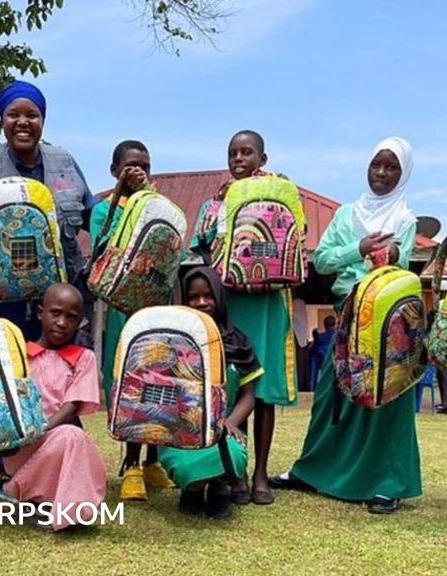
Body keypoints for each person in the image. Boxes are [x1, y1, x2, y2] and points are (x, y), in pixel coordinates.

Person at [270, 136, 421, 515]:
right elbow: (322, 261)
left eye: (391, 167)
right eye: (376, 165)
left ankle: (387, 484)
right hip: (346, 313)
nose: (381, 173)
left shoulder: (405, 219)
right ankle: (312, 470)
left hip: (387, 320)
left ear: (403, 174)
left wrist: (389, 254)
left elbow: (401, 261)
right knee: (330, 394)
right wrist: (360, 249)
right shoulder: (346, 215)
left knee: (386, 395)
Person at [190, 130, 297, 505]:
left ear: (262, 159)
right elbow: (202, 250)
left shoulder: (281, 192)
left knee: (263, 389)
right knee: (232, 384)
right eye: (233, 153)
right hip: (230, 303)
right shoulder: (214, 203)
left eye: (247, 152)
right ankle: (235, 472)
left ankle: (261, 474)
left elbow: (295, 238)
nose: (239, 159)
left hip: (267, 303)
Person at [0, 80, 97, 339]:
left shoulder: (64, 162)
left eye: (32, 115)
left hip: (61, 311)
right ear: (2, 120)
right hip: (1, 313)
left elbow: (92, 217)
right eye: (13, 115)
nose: (23, 122)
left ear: (42, 120)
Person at [88, 140, 176, 500]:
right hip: (122, 310)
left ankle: (153, 461)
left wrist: (147, 197)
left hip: (155, 309)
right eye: (131, 166)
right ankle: (130, 465)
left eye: (145, 166)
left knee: (158, 380)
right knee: (130, 383)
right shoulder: (103, 210)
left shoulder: (159, 206)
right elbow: (105, 249)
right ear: (114, 171)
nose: (139, 171)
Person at [0, 283, 107, 531]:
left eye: (71, 317)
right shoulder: (20, 356)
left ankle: (59, 509)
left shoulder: (83, 358)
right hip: (21, 448)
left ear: (80, 323)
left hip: (54, 441)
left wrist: (40, 431)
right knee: (72, 437)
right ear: (40, 313)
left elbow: (71, 407)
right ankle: (26, 492)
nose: (62, 322)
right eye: (55, 313)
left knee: (72, 436)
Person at [158, 267, 262, 520]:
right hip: (182, 430)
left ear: (219, 298)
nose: (202, 302)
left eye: (208, 296)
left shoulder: (238, 342)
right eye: (193, 297)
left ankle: (219, 486)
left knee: (231, 455)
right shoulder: (172, 343)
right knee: (186, 466)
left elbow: (249, 394)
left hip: (223, 431)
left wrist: (230, 422)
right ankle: (192, 489)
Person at [309, 316, 336, 389]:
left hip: (319, 356)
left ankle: (312, 387)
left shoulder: (321, 337)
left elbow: (312, 346)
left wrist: (314, 333)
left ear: (325, 325)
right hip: (331, 359)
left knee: (313, 369)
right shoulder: (337, 336)